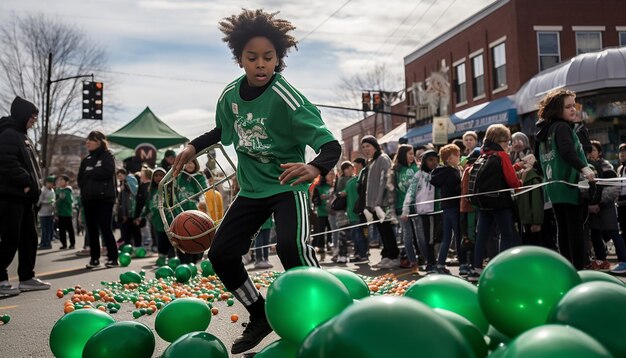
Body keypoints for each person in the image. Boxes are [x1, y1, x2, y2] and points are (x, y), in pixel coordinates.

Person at [170, 9, 341, 354]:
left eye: (268, 57)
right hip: (251, 191)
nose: (261, 64)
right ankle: (259, 314)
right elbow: (222, 131)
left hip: (286, 187)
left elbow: (330, 143)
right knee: (221, 254)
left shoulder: (286, 97)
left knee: (291, 248)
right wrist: (192, 146)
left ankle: (331, 321)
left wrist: (315, 167)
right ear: (240, 59)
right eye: (253, 58)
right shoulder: (230, 97)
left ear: (278, 59)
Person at [536, 88, 595, 270]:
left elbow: (538, 159)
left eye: (574, 106)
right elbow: (567, 151)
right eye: (568, 106)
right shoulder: (562, 128)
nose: (573, 110)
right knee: (575, 229)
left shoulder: (544, 132)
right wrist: (585, 169)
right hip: (569, 184)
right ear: (556, 109)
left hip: (554, 188)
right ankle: (577, 269)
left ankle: (567, 268)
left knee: (563, 229)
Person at [0, 96, 51, 296]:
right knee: (10, 239)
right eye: (32, 117)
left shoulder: (21, 135)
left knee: (29, 238)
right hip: (11, 197)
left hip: (24, 199)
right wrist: (27, 183)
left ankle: (27, 277)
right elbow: (6, 162)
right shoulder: (8, 134)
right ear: (22, 116)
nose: (34, 121)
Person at [468, 124, 522, 282]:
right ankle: (502, 269)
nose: (508, 144)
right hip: (500, 203)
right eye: (507, 140)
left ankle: (476, 268)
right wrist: (521, 180)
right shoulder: (501, 155)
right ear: (500, 140)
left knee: (482, 236)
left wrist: (517, 166)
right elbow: (512, 181)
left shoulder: (484, 154)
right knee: (506, 236)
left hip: (484, 202)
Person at [78, 130, 119, 268]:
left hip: (105, 199)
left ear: (100, 142)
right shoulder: (86, 160)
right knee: (91, 230)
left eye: (92, 140)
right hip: (88, 200)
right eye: (87, 140)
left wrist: (91, 172)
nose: (88, 142)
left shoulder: (107, 156)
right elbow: (80, 179)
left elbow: (108, 171)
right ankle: (94, 259)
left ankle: (113, 258)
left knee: (105, 228)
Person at [360, 135, 399, 269]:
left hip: (383, 203)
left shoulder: (383, 158)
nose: (366, 149)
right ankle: (386, 256)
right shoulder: (371, 162)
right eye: (363, 147)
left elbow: (385, 181)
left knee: (387, 231)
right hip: (374, 205)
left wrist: (377, 202)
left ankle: (393, 256)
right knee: (382, 231)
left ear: (375, 146)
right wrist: (369, 204)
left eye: (368, 146)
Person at [402, 150, 440, 273]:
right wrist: (405, 209)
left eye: (436, 160)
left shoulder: (439, 173)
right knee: (427, 239)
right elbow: (411, 192)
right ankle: (431, 263)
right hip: (424, 211)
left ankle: (435, 260)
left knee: (438, 237)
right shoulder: (418, 175)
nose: (434, 162)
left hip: (438, 211)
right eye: (430, 160)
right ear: (424, 161)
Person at [430, 144, 463, 275]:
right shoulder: (453, 172)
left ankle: (440, 263)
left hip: (446, 207)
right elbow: (456, 189)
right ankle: (463, 264)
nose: (459, 157)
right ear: (449, 158)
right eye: (457, 155)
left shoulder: (441, 172)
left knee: (447, 237)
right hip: (454, 207)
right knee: (459, 235)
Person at [387, 144, 419, 272]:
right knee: (407, 235)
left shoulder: (416, 167)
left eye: (413, 154)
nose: (412, 156)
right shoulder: (395, 170)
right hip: (401, 207)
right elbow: (391, 190)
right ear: (402, 154)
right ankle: (412, 260)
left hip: (417, 207)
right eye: (410, 153)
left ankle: (425, 258)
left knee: (421, 235)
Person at [55, 175, 76, 250]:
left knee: (70, 229)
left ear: (66, 182)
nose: (60, 182)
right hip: (60, 213)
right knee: (61, 230)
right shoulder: (58, 190)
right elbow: (55, 200)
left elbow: (70, 201)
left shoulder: (68, 191)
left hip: (67, 213)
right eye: (59, 180)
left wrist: (63, 197)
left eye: (62, 180)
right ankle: (64, 244)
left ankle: (72, 244)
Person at [38, 176, 56, 250]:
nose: (52, 184)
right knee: (44, 229)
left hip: (50, 212)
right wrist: (48, 202)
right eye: (51, 183)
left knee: (49, 229)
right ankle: (44, 243)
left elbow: (53, 199)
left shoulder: (52, 190)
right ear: (47, 183)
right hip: (43, 212)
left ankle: (47, 242)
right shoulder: (43, 190)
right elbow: (39, 201)